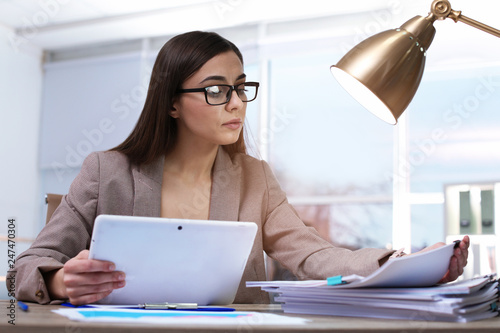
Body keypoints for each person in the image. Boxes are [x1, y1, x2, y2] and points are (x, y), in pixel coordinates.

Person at [10, 31, 469, 306]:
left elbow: (312, 256)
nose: (234, 103)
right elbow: (24, 267)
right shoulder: (107, 171)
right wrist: (57, 278)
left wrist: (403, 265)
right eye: (215, 90)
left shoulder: (255, 177)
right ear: (171, 103)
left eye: (240, 87)